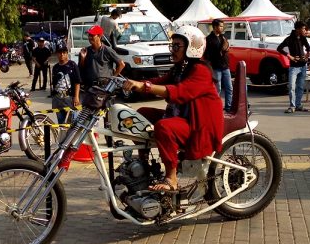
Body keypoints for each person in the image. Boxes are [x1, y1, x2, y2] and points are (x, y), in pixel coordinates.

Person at [123, 25, 223, 192]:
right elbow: (160, 82)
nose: (173, 50)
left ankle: (171, 178)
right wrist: (133, 83)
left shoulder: (201, 71)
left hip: (198, 125)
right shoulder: (181, 68)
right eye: (172, 46)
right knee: (141, 114)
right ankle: (143, 162)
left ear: (192, 47)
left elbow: (178, 92)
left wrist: (144, 86)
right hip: (183, 117)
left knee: (164, 127)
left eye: (177, 46)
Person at [277, 20, 310, 113]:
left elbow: (308, 48)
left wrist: (307, 54)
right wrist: (289, 56)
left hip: (303, 66)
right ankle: (292, 106)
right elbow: (279, 48)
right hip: (293, 67)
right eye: (303, 29)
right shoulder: (289, 39)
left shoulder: (303, 38)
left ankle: (298, 105)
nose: (305, 30)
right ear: (298, 29)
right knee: (292, 87)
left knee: (300, 87)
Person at [79, 25, 125, 89]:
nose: (89, 37)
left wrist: (113, 79)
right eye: (89, 35)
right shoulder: (85, 51)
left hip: (104, 87)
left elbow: (121, 64)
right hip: (89, 87)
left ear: (99, 36)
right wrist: (82, 59)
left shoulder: (107, 50)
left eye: (92, 35)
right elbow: (80, 69)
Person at [205, 19, 233, 111]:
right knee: (217, 89)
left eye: (222, 26)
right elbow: (207, 56)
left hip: (225, 66)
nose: (222, 28)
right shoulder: (209, 39)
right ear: (215, 27)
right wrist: (210, 69)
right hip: (216, 68)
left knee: (229, 88)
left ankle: (228, 107)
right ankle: (215, 108)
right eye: (220, 26)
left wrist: (226, 46)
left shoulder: (223, 37)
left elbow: (227, 47)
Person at [51, 45, 81, 124]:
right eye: (60, 52)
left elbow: (77, 82)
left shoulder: (72, 65)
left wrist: (76, 97)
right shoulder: (55, 67)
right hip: (58, 99)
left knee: (72, 123)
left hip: (69, 98)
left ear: (67, 53)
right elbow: (54, 84)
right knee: (61, 124)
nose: (62, 54)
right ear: (57, 54)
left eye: (64, 52)